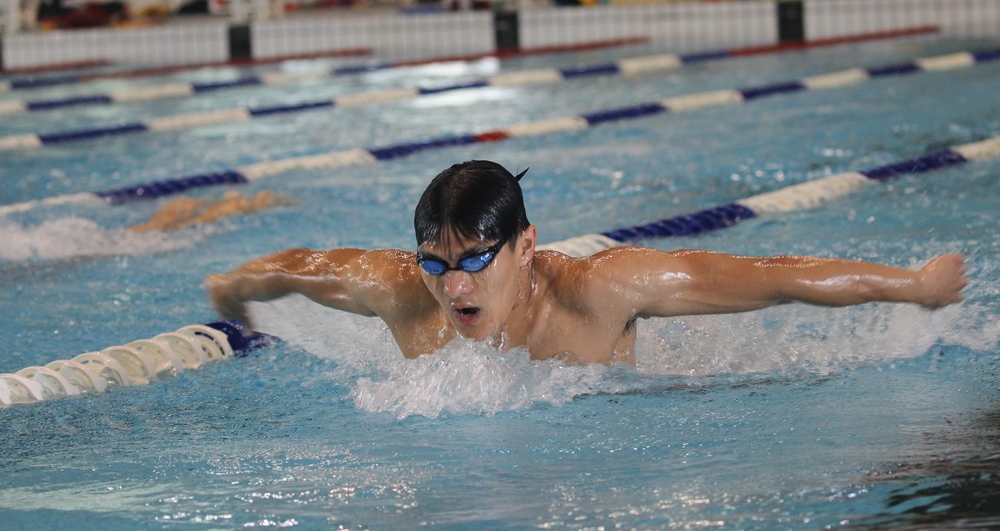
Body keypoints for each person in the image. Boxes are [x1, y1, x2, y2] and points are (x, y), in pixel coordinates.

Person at [205, 160, 968, 365]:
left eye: (474, 259)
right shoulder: (403, 291)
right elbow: (297, 266)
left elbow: (773, 275)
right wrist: (234, 294)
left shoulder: (603, 289)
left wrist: (916, 287)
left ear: (526, 246)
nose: (455, 287)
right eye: (436, 265)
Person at [130, 190, 295, 233]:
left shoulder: (230, 200)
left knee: (151, 227)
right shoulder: (232, 207)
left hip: (190, 208)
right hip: (198, 214)